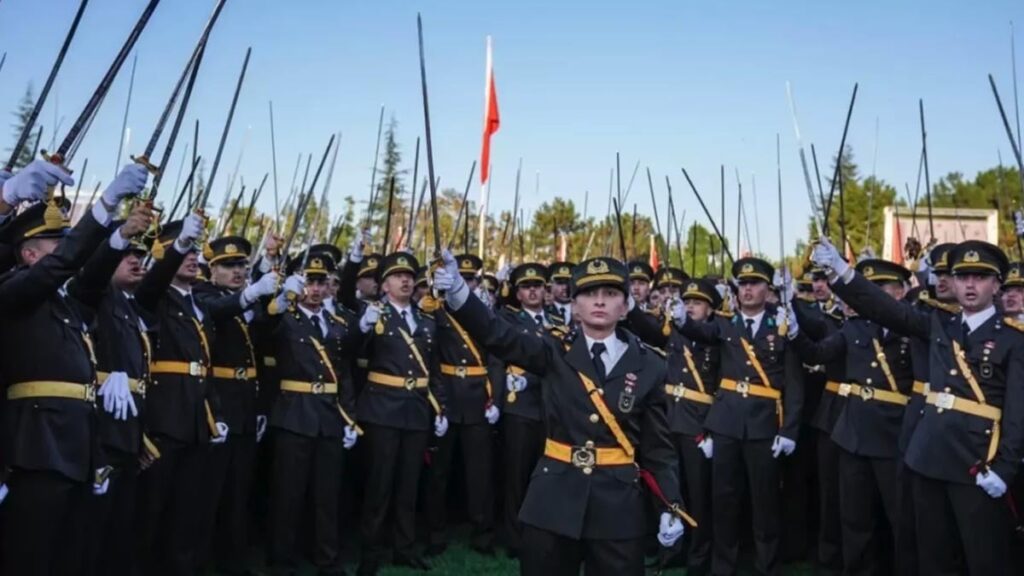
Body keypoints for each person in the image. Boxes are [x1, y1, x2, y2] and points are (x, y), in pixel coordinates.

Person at [435, 253, 688, 576]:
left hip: (618, 504)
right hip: (553, 499)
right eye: (589, 294)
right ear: (574, 305)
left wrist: (671, 504)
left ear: (625, 308)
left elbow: (659, 449)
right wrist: (458, 290)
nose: (599, 302)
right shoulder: (552, 350)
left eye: (610, 294)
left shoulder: (650, 365)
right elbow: (497, 333)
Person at [813, 237, 1024, 575]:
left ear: (997, 284)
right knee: (932, 555)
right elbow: (886, 309)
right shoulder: (939, 324)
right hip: (928, 457)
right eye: (963, 277)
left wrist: (1005, 468)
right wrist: (841, 271)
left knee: (984, 556)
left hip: (978, 460)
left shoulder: (1013, 338)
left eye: (981, 277)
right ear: (952, 282)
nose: (970, 285)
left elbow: (1018, 412)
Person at [0, 161, 148, 575]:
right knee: (32, 554)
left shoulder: (65, 303)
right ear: (30, 254)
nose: (67, 250)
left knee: (69, 552)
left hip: (78, 443)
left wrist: (117, 235)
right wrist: (103, 206)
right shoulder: (15, 289)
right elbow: (63, 265)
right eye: (55, 244)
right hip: (37, 444)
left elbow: (93, 273)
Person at [672, 257, 804, 576]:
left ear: (767, 289)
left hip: (763, 425)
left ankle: (766, 567)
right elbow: (700, 331)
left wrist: (789, 430)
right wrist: (681, 320)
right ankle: (723, 568)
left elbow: (794, 385)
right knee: (724, 502)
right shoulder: (725, 323)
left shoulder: (783, 324)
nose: (747, 289)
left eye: (754, 283)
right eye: (742, 284)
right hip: (726, 424)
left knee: (765, 505)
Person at [789, 259, 914, 575]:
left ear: (900, 292)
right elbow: (819, 353)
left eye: (878, 290)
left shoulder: (914, 328)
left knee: (901, 519)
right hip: (853, 434)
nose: (866, 298)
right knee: (854, 519)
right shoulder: (855, 327)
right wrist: (794, 333)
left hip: (895, 435)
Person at [133, 213, 230, 576]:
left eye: (194, 252)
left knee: (188, 512)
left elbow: (205, 366)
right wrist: (177, 248)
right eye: (183, 251)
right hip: (165, 416)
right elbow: (152, 283)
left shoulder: (198, 304)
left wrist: (214, 412)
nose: (193, 258)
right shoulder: (155, 296)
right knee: (152, 511)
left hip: (196, 418)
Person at [348, 245, 448, 576]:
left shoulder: (426, 319)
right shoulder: (375, 314)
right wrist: (363, 326)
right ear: (385, 284)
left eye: (409, 276)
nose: (405, 281)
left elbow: (434, 369)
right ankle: (371, 551)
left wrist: (440, 406)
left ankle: (404, 548)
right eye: (397, 277)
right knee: (380, 485)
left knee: (409, 485)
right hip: (382, 409)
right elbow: (349, 354)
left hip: (417, 409)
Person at [67, 206, 156, 576]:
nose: (135, 262)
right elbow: (92, 276)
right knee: (90, 526)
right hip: (100, 426)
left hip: (129, 425)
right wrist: (116, 240)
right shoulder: (93, 294)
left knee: (118, 523)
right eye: (126, 256)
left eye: (140, 256)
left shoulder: (131, 307)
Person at [264, 249, 360, 576]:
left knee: (326, 494)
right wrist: (279, 296)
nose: (316, 289)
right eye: (309, 282)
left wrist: (349, 417)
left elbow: (343, 373)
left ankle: (326, 559)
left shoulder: (336, 324)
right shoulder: (284, 317)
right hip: (294, 414)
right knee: (288, 494)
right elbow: (264, 331)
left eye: (321, 282)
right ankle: (282, 559)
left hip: (329, 417)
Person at [193, 236, 279, 575]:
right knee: (209, 491)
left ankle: (233, 561)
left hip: (245, 404)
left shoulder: (247, 302)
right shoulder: (204, 295)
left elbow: (262, 341)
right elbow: (218, 312)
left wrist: (276, 303)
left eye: (242, 265)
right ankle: (199, 560)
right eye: (229, 266)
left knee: (238, 491)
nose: (238, 271)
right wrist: (253, 294)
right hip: (218, 403)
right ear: (212, 270)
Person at [626, 277, 722, 576]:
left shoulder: (718, 338)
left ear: (710, 310)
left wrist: (713, 429)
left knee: (698, 496)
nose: (691, 307)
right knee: (668, 492)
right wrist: (630, 305)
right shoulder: (674, 331)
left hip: (698, 424)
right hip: (669, 419)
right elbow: (648, 331)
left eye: (698, 303)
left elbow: (724, 387)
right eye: (688, 302)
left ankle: (699, 557)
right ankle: (670, 553)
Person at [424, 253, 501, 556]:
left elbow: (496, 357)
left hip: (478, 398)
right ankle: (435, 533)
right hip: (447, 396)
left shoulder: (482, 313)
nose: (466, 283)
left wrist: (495, 398)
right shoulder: (436, 312)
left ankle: (483, 534)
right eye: (462, 278)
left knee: (480, 473)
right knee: (439, 473)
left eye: (471, 279)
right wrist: (438, 403)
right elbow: (429, 359)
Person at [494, 262, 568, 559]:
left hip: (549, 405)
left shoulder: (557, 318)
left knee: (546, 474)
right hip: (520, 404)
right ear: (518, 292)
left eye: (538, 285)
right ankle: (514, 536)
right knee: (516, 475)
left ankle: (543, 532)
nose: (533, 290)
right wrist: (498, 400)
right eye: (526, 286)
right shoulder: (509, 318)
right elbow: (497, 358)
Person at [546, 261, 574, 325]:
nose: (564, 287)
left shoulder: (582, 310)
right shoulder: (543, 309)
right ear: (551, 285)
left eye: (568, 283)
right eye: (560, 283)